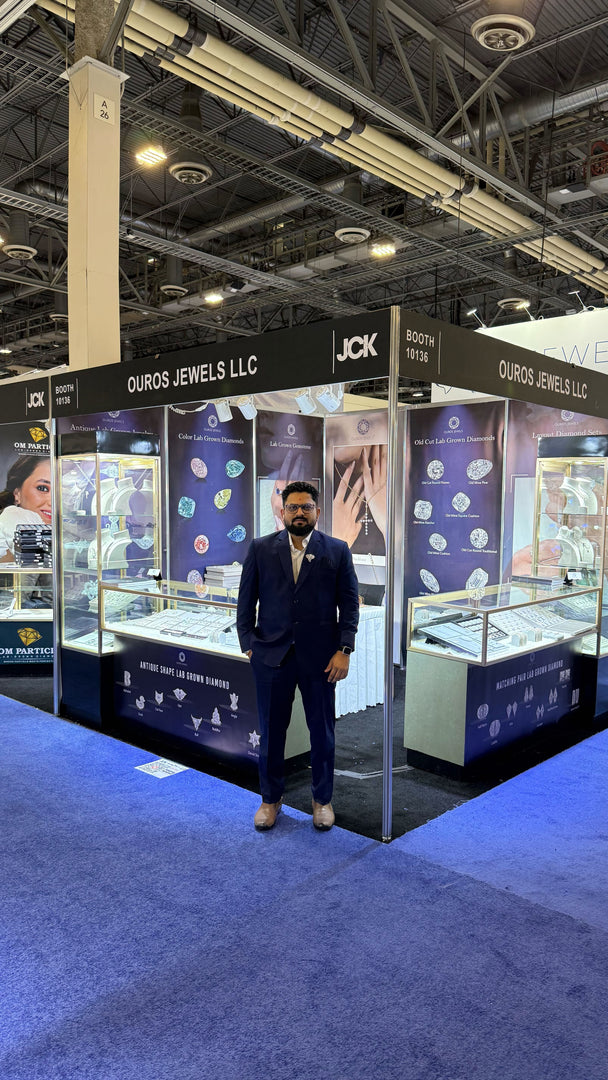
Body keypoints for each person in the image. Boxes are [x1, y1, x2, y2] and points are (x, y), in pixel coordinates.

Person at [237, 481, 359, 832]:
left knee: (322, 733)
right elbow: (245, 601)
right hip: (270, 657)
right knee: (272, 733)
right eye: (293, 507)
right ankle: (270, 799)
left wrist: (344, 649)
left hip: (321, 660)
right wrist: (248, 643)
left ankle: (322, 800)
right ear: (283, 511)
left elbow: (349, 605)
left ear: (317, 512)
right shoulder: (260, 548)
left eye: (306, 507)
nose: (300, 513)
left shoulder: (336, 550)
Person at [0, 455, 52, 562]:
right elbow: (36, 557)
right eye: (42, 488)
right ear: (17, 493)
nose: (52, 502)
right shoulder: (14, 514)